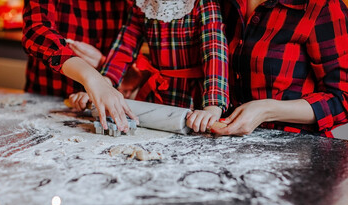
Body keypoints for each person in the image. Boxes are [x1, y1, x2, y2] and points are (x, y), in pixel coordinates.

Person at [69, 0, 230, 133]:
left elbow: (215, 53)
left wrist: (212, 107)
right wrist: (102, 86)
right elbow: (124, 47)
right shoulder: (143, 4)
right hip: (156, 100)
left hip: (194, 102)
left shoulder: (202, 3)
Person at [211, 0, 348, 138]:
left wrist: (267, 110)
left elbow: (343, 99)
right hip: (227, 144)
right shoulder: (218, 4)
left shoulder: (322, 6)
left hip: (298, 150)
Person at [21, 0, 137, 132]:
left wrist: (104, 70)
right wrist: (92, 77)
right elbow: (35, 30)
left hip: (102, 108)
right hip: (46, 100)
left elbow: (133, 49)